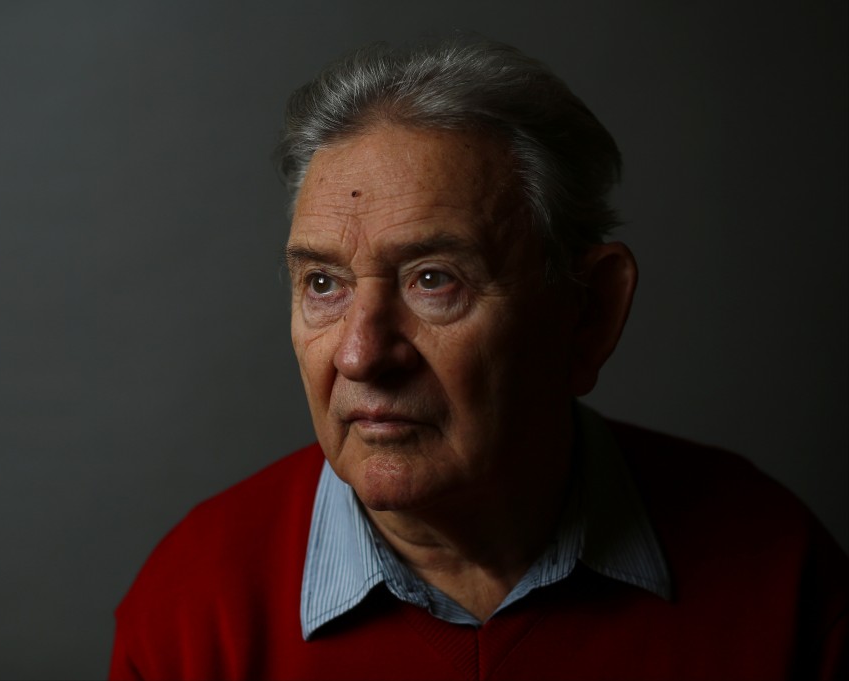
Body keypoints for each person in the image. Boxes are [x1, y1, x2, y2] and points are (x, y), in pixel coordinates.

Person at [109, 36, 847, 680]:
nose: (363, 354)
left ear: (588, 313)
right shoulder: (192, 609)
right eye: (323, 284)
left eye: (435, 280)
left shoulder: (779, 578)